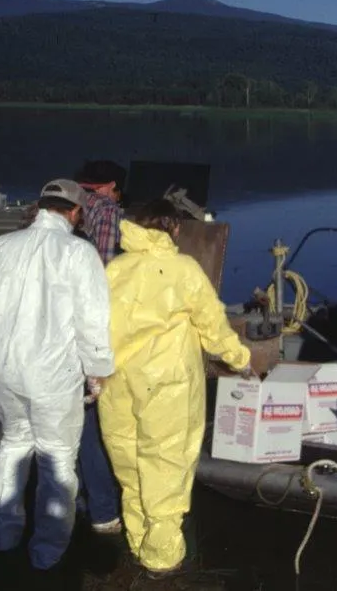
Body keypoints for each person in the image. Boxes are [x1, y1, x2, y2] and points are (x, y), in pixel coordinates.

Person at [0, 179, 115, 571]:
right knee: (57, 458)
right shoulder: (79, 252)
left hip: (1, 370)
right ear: (75, 212)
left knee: (13, 444)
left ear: (41, 207)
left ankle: (4, 535)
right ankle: (47, 552)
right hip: (52, 375)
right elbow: (93, 322)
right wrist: (98, 372)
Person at [97, 199, 253, 578]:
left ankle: (139, 542)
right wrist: (241, 359)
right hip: (167, 385)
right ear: (174, 227)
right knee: (165, 465)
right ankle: (161, 559)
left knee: (129, 467)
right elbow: (213, 326)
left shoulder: (113, 269)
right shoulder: (184, 270)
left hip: (116, 383)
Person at [73, 159, 129, 534]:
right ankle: (104, 511)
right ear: (110, 187)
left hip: (54, 336)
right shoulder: (108, 211)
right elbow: (105, 271)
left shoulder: (63, 207)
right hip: (92, 332)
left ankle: (73, 503)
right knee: (92, 425)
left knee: (71, 426)